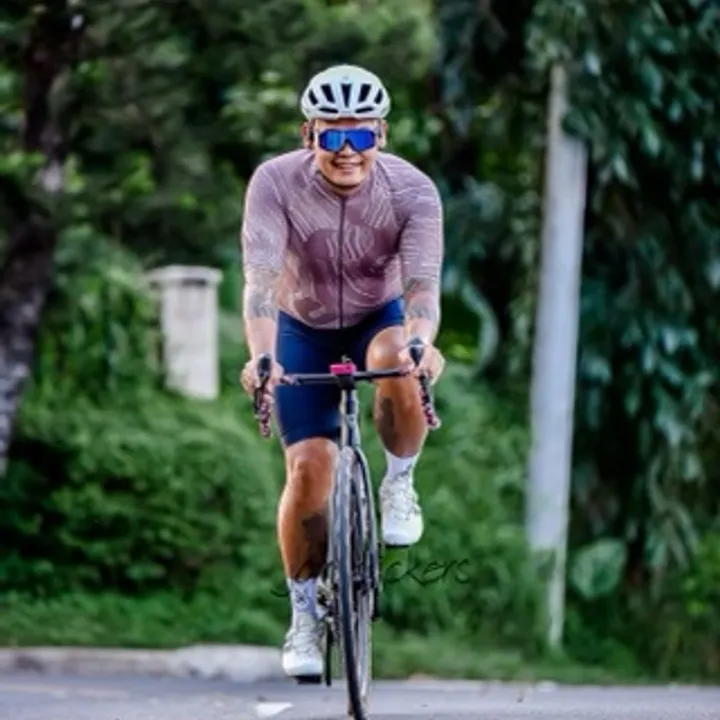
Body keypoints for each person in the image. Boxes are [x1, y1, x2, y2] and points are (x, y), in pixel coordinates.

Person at [239, 64, 446, 679]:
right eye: (333, 135)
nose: (347, 150)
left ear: (382, 134)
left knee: (395, 361)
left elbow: (422, 289)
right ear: (309, 135)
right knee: (309, 471)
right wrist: (263, 356)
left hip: (377, 320)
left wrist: (421, 343)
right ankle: (304, 616)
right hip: (299, 326)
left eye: (361, 134)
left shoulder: (413, 191)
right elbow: (260, 283)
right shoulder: (274, 182)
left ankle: (399, 481)